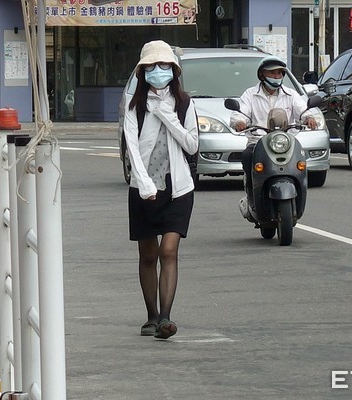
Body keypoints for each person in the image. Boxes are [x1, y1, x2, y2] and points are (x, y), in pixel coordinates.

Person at [123, 40, 198, 339]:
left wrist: (168, 116)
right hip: (143, 188)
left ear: (174, 70)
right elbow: (132, 149)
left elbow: (192, 144)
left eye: (164, 66)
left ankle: (166, 318)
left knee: (169, 251)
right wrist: (144, 185)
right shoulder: (133, 106)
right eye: (151, 67)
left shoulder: (184, 103)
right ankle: (151, 316)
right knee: (147, 255)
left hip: (178, 189)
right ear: (142, 73)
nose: (158, 72)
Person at [229, 56, 318, 205]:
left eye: (280, 73)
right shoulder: (250, 94)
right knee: (247, 155)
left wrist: (309, 118)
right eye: (272, 73)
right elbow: (240, 113)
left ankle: (299, 194)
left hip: (286, 142)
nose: (277, 77)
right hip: (258, 141)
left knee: (300, 159)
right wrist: (239, 122)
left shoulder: (291, 94)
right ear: (262, 74)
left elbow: (302, 111)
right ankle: (251, 195)